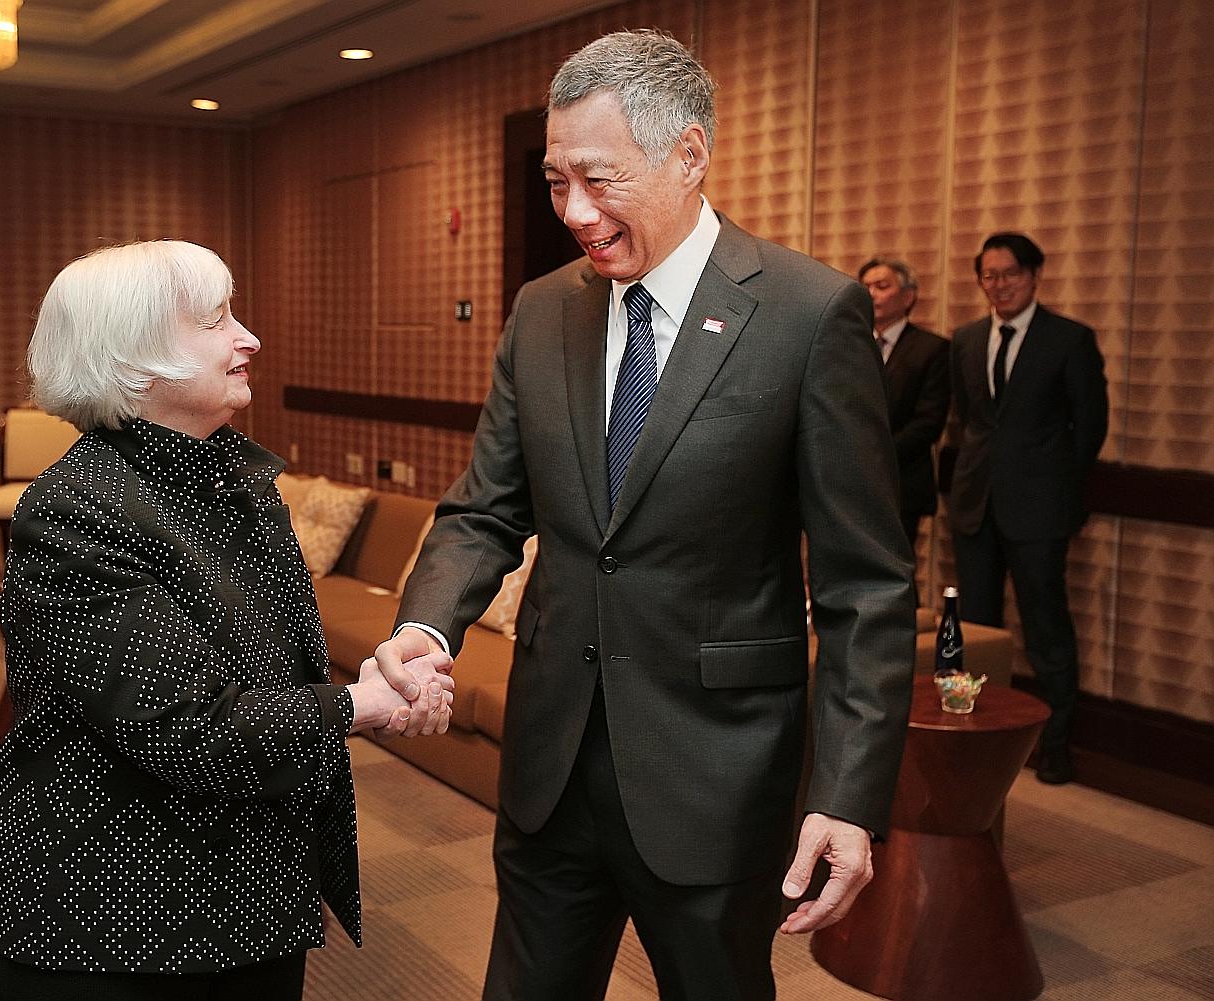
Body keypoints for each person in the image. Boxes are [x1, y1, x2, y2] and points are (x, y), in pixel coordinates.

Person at [374, 30, 915, 1001]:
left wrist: (847, 795)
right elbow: (483, 510)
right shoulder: (542, 311)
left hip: (715, 775)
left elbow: (865, 585)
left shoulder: (806, 314)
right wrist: (424, 624)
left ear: (689, 154)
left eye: (598, 179)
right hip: (549, 768)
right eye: (554, 182)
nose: (575, 212)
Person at [0, 240, 454, 1000]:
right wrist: (360, 705)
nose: (249, 339)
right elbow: (190, 731)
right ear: (135, 357)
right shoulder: (77, 509)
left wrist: (371, 676)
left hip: (248, 896)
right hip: (116, 924)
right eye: (215, 321)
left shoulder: (235, 476)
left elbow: (270, 667)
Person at [949, 232, 1108, 785]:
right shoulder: (967, 339)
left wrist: (1059, 491)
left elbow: (1089, 431)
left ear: (1034, 275)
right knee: (976, 629)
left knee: (1045, 627)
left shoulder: (1069, 340)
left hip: (1040, 511)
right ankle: (976, 738)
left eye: (1010, 274)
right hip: (975, 506)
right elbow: (966, 420)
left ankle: (1058, 745)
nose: (999, 286)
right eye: (989, 276)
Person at [858, 257, 950, 547]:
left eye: (882, 286)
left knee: (895, 572)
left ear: (908, 296)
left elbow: (928, 422)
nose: (871, 293)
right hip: (849, 482)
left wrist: (873, 455)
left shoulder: (931, 348)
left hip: (901, 481)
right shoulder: (850, 344)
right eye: (865, 287)